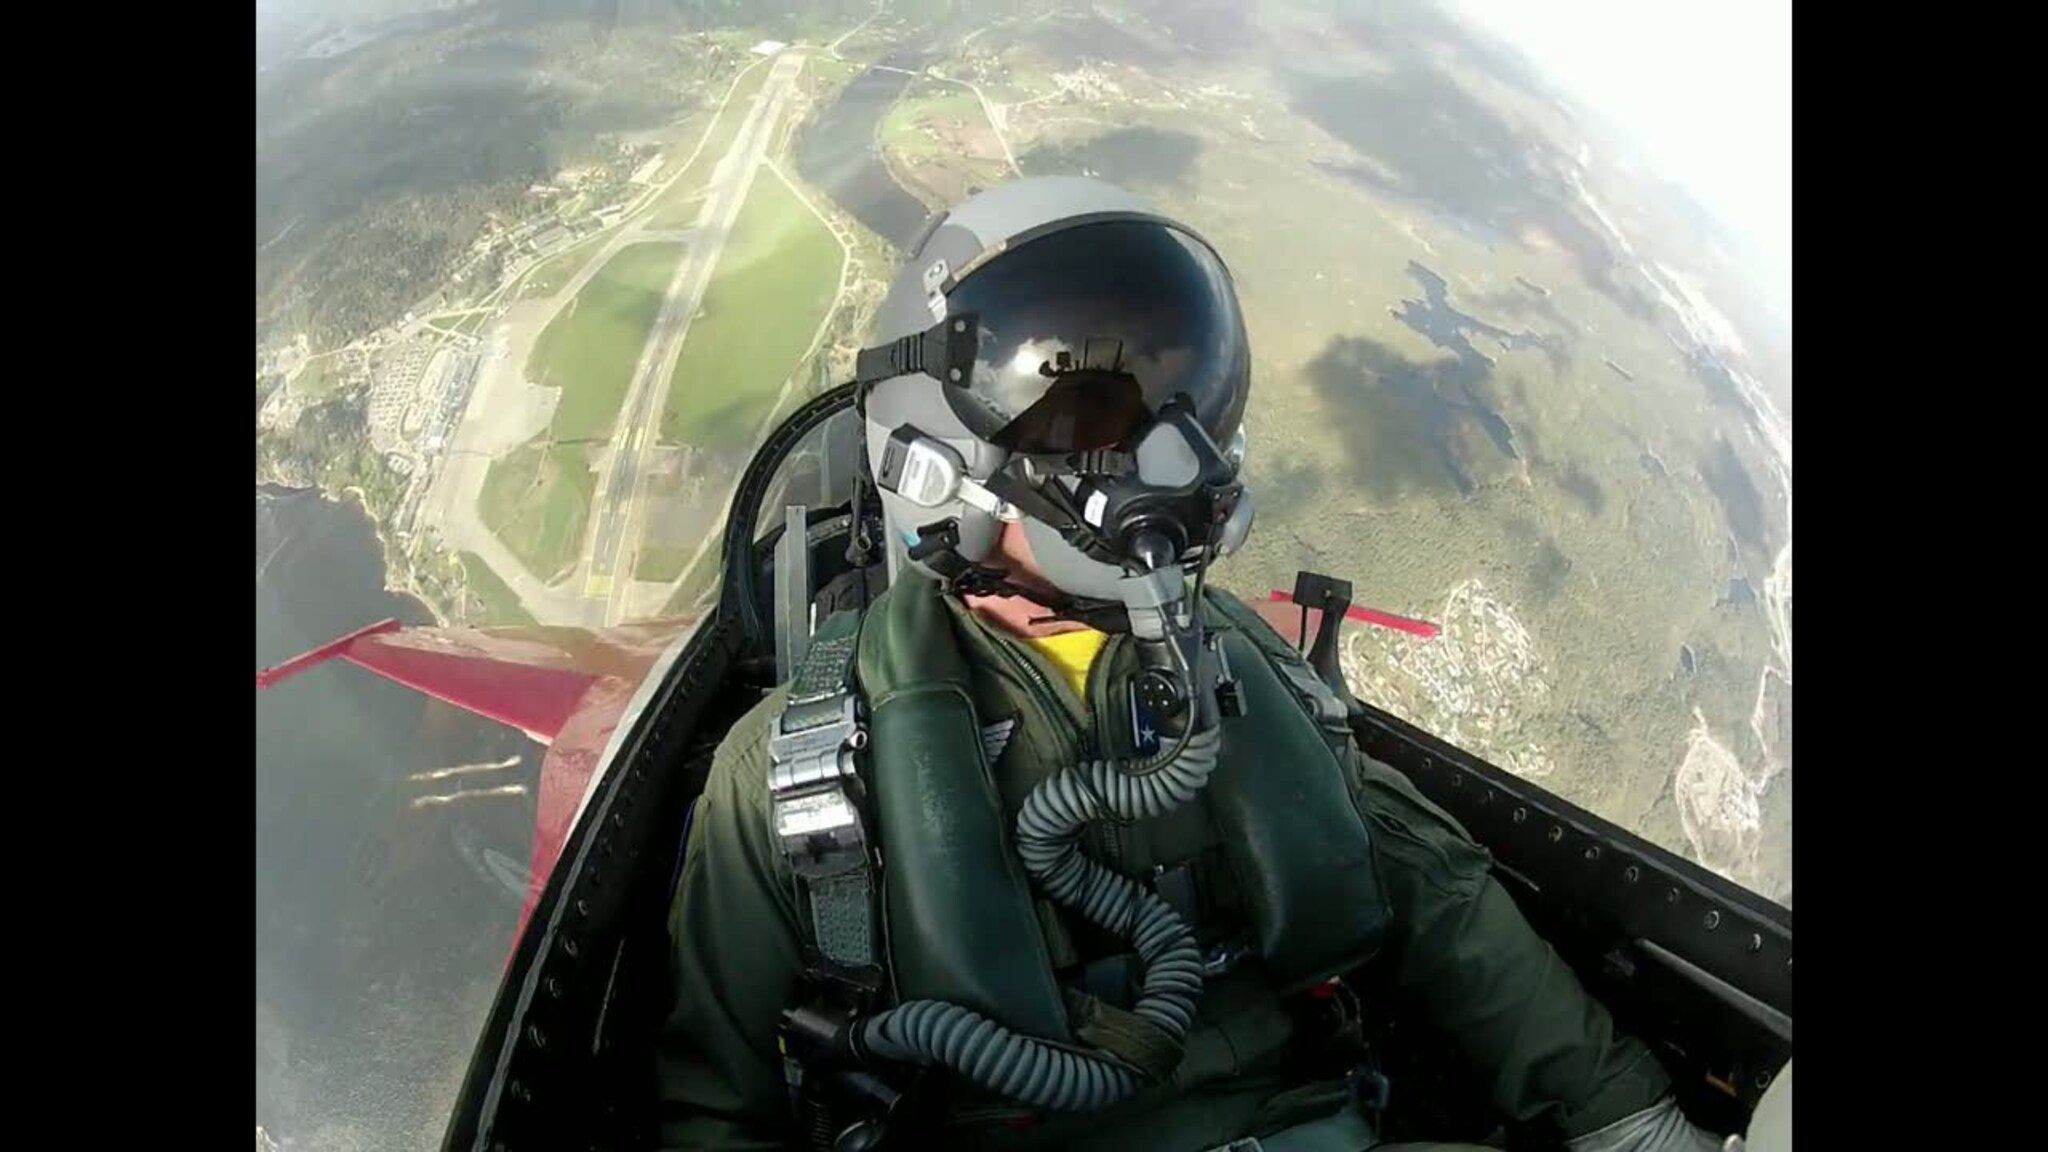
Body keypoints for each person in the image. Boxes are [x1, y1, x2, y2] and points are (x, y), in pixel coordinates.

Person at [655, 177, 1726, 1152]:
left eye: (1183, 406)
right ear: (933, 452)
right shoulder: (795, 778)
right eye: (1087, 420)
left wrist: (1625, 1120)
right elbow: (718, 1112)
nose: (1168, 462)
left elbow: (1432, 894)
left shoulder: (1238, 663)